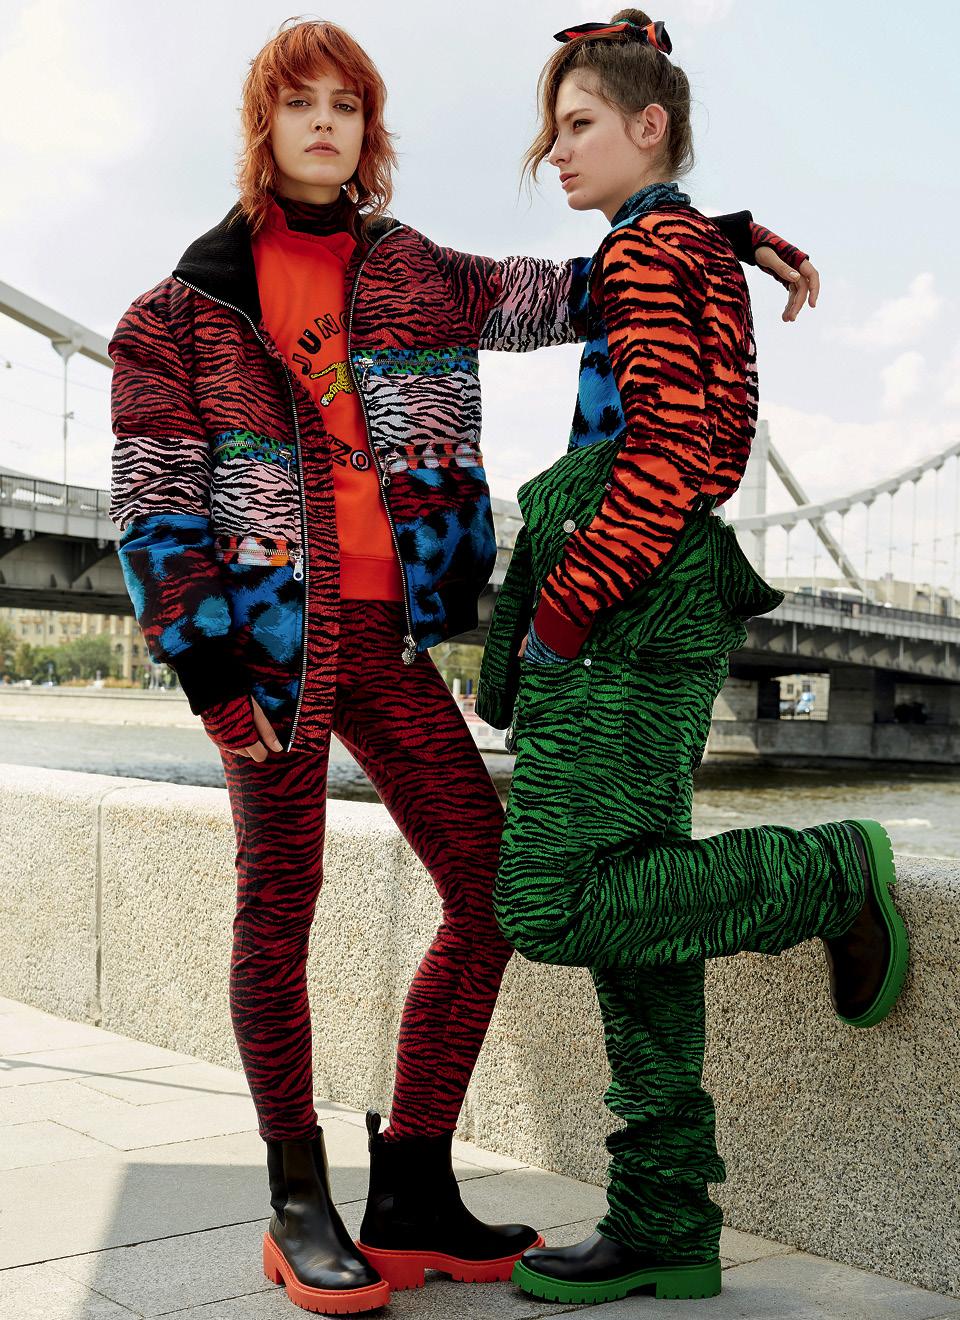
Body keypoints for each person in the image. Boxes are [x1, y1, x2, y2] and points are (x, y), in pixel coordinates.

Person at [109, 16, 814, 1316]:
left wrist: (717, 237)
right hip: (270, 655)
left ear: (369, 132)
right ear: (264, 127)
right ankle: (297, 1200)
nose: (326, 124)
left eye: (348, 106)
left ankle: (414, 1185)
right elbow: (154, 506)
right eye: (301, 104)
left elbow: (580, 288)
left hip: (387, 642)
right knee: (279, 908)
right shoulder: (177, 314)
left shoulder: (416, 271)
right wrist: (206, 672)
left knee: (490, 891)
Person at [476, 10, 909, 1308]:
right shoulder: (677, 244)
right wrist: (742, 233)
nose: (555, 151)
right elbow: (695, 419)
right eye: (553, 130)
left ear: (648, 125)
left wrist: (565, 612)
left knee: (547, 900)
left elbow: (670, 453)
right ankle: (666, 1218)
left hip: (619, 596)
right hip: (663, 597)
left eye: (578, 125)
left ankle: (827, 873)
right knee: (636, 923)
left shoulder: (645, 252)